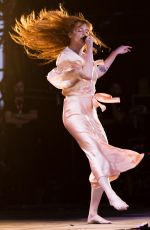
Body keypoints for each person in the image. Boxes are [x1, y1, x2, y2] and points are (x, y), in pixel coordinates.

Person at [10, 6, 144, 224]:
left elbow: (98, 72)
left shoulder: (84, 55)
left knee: (103, 154)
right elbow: (87, 73)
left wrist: (114, 53)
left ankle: (92, 214)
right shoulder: (65, 57)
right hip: (73, 111)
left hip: (90, 112)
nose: (85, 33)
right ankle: (111, 196)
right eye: (81, 30)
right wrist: (90, 49)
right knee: (94, 152)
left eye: (87, 30)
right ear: (71, 34)